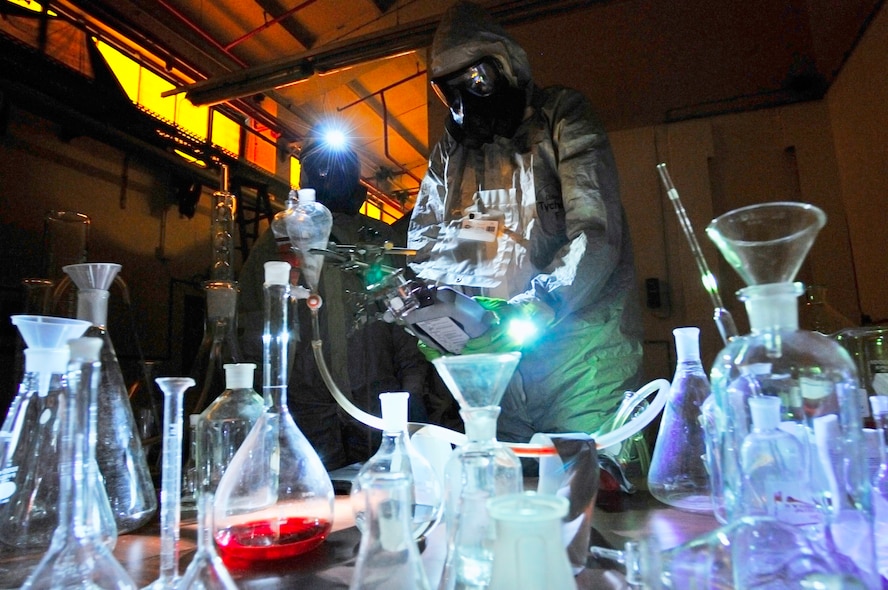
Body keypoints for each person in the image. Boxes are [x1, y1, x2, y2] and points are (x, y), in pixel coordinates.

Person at [406, 1, 644, 443]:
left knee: (589, 479)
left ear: (507, 65)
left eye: (477, 80)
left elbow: (595, 234)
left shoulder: (562, 117)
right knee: (507, 480)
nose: (465, 103)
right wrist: (435, 312)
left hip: (581, 366)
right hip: (499, 376)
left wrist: (536, 306)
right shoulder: (454, 155)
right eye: (450, 92)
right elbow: (435, 249)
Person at [238, 124, 432, 470]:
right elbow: (255, 323)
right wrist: (259, 400)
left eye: (340, 165)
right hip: (307, 408)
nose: (331, 174)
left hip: (376, 404)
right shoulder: (281, 240)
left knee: (380, 491)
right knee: (315, 492)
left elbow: (407, 321)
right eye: (321, 165)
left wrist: (412, 390)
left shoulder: (377, 237)